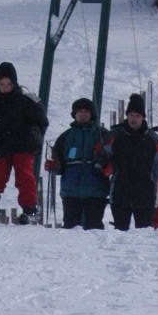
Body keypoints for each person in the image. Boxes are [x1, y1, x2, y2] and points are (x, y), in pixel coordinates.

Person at [0, 62, 49, 224]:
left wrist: (35, 137)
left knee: (24, 177)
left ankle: (30, 210)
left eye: (8, 84)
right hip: (1, 146)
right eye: (2, 84)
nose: (5, 87)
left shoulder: (25, 100)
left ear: (14, 84)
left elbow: (42, 120)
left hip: (22, 146)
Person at [101, 93, 158, 230]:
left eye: (137, 116)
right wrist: (103, 162)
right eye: (131, 115)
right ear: (127, 115)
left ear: (143, 117)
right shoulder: (115, 135)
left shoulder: (152, 139)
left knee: (144, 236)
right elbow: (103, 156)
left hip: (146, 196)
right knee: (120, 235)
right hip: (120, 195)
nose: (134, 119)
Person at [46, 97, 110, 230]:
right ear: (74, 114)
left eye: (86, 111)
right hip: (71, 192)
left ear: (91, 114)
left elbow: (113, 158)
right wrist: (54, 166)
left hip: (96, 191)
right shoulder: (65, 137)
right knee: (71, 227)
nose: (83, 114)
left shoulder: (103, 135)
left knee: (94, 228)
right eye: (80, 111)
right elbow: (59, 164)